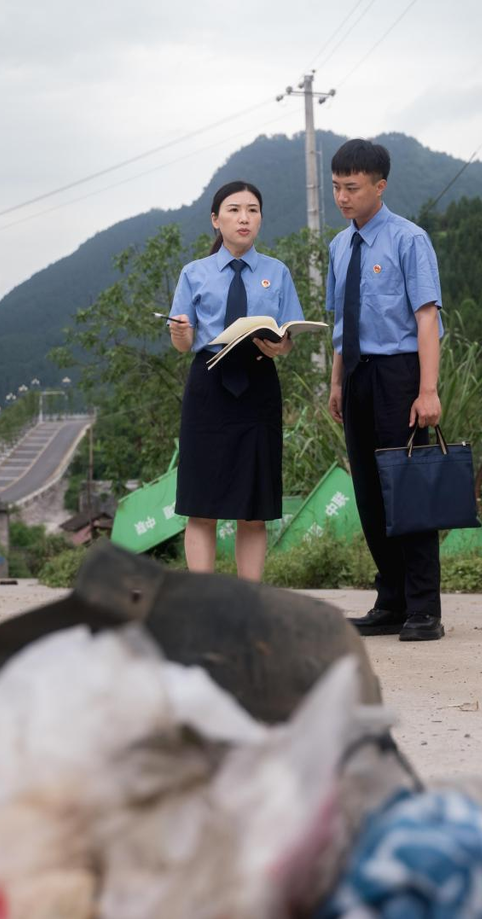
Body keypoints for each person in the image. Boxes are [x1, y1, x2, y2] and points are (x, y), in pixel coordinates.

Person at [325, 139, 446, 641]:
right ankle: (391, 601)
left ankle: (424, 609)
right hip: (356, 376)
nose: (342, 197)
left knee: (408, 489)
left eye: (351, 187)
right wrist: (337, 381)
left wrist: (428, 390)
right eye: (336, 187)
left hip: (400, 375)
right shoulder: (338, 247)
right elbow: (341, 321)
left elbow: (427, 318)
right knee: (370, 494)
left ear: (380, 186)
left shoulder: (409, 239)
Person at [168, 180, 304, 581]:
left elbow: (288, 337)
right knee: (201, 504)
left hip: (259, 385)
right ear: (216, 220)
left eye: (252, 210)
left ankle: (248, 601)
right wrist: (179, 333)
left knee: (254, 506)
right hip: (208, 387)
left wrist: (281, 346)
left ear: (260, 218)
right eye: (234, 210)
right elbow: (184, 343)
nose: (244, 218)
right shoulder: (194, 273)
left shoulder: (277, 272)